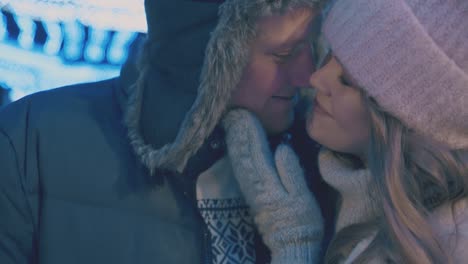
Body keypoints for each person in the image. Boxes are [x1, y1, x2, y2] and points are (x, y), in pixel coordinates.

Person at [0, 0, 333, 263]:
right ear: (207, 53)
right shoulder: (31, 145)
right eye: (283, 54)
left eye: (313, 46)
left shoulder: (325, 167)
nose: (308, 75)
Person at [223, 0, 468, 263]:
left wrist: (295, 246)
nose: (315, 78)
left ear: (405, 122)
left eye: (346, 82)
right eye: (331, 54)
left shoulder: (448, 242)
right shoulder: (344, 186)